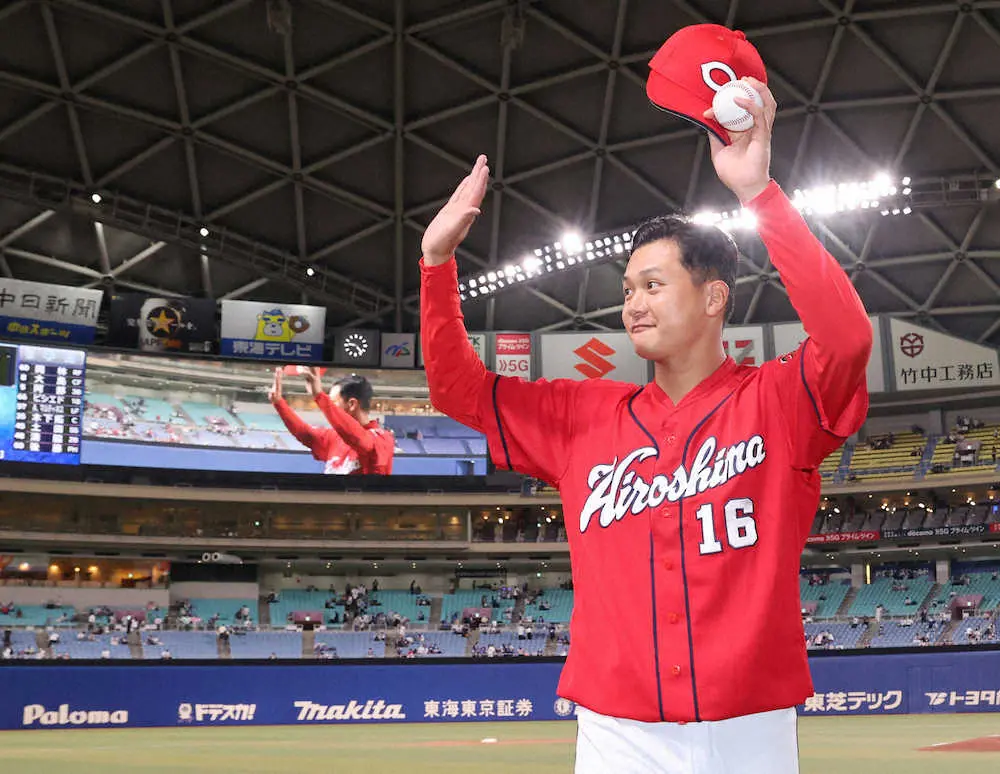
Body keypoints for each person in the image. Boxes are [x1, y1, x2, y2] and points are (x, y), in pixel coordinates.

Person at [419, 78, 871, 773]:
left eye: (654, 286)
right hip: (615, 733)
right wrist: (437, 264)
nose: (632, 304)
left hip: (749, 728)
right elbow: (457, 388)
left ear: (714, 296)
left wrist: (760, 196)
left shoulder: (778, 403)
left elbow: (844, 341)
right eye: (627, 290)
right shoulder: (581, 417)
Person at [269, 367, 395, 475]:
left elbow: (359, 439)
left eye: (332, 403)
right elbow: (305, 434)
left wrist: (319, 396)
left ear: (352, 404)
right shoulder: (334, 438)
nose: (328, 407)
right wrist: (279, 403)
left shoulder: (382, 439)